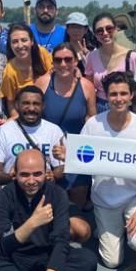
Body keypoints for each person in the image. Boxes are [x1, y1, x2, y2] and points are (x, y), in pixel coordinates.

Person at [80, 72, 136, 268]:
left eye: (123, 93)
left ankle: (127, 228)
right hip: (104, 200)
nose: (118, 99)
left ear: (131, 96)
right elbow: (80, 157)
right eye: (113, 94)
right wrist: (67, 155)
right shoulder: (92, 125)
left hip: (134, 197)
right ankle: (108, 228)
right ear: (106, 95)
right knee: (112, 262)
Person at [0, 86, 72, 239]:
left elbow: (61, 169)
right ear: (17, 105)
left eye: (36, 104)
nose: (31, 108)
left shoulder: (53, 130)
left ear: (43, 106)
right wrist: (11, 176)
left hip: (45, 194)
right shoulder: (2, 132)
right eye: (26, 103)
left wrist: (52, 175)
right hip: (13, 195)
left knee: (81, 230)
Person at [36, 43, 96, 215]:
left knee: (75, 208)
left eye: (68, 59)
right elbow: (30, 114)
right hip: (49, 154)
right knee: (50, 206)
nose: (63, 64)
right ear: (52, 62)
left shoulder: (86, 86)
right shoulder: (43, 83)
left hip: (77, 155)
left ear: (76, 61)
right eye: (58, 60)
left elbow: (91, 124)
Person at [85, 13, 136, 113]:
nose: (105, 33)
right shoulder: (91, 56)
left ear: (116, 30)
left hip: (124, 106)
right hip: (100, 106)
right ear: (95, 34)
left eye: (109, 28)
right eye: (100, 31)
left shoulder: (132, 57)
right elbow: (89, 88)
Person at [0, 23, 52, 118]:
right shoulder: (10, 71)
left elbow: (55, 73)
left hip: (50, 106)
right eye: (15, 42)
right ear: (10, 45)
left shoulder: (42, 53)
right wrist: (17, 122)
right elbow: (11, 103)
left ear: (32, 41)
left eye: (24, 40)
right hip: (28, 114)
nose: (20, 45)